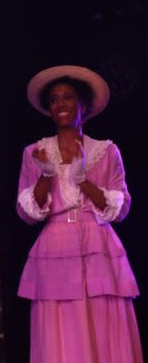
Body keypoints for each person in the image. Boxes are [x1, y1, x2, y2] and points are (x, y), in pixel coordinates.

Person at [17, 65, 143, 362]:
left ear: (83, 104)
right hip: (55, 246)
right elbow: (27, 214)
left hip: (98, 246)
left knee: (101, 322)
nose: (60, 104)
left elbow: (120, 208)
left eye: (68, 97)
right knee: (61, 329)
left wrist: (81, 177)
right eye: (54, 99)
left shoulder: (106, 150)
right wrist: (47, 174)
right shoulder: (35, 153)